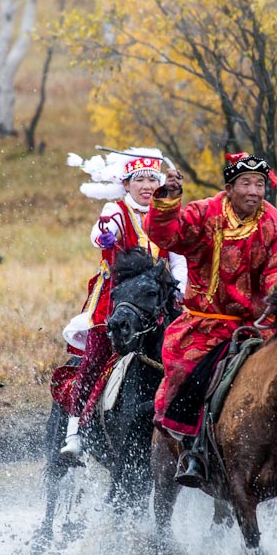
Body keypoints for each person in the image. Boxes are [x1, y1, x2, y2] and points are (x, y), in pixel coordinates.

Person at [146, 152, 277, 482]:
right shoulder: (205, 213)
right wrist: (169, 199)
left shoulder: (275, 223)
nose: (254, 191)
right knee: (188, 372)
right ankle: (190, 449)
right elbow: (167, 236)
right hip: (207, 323)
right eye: (246, 183)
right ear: (230, 187)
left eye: (260, 184)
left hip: (258, 325)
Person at [60, 149, 188, 458]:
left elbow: (178, 258)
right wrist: (105, 237)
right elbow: (102, 232)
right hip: (118, 299)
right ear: (126, 183)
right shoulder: (115, 209)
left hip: (160, 300)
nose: (146, 186)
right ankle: (75, 431)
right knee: (95, 356)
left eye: (152, 180)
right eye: (139, 180)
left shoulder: (167, 216)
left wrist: (181, 290)